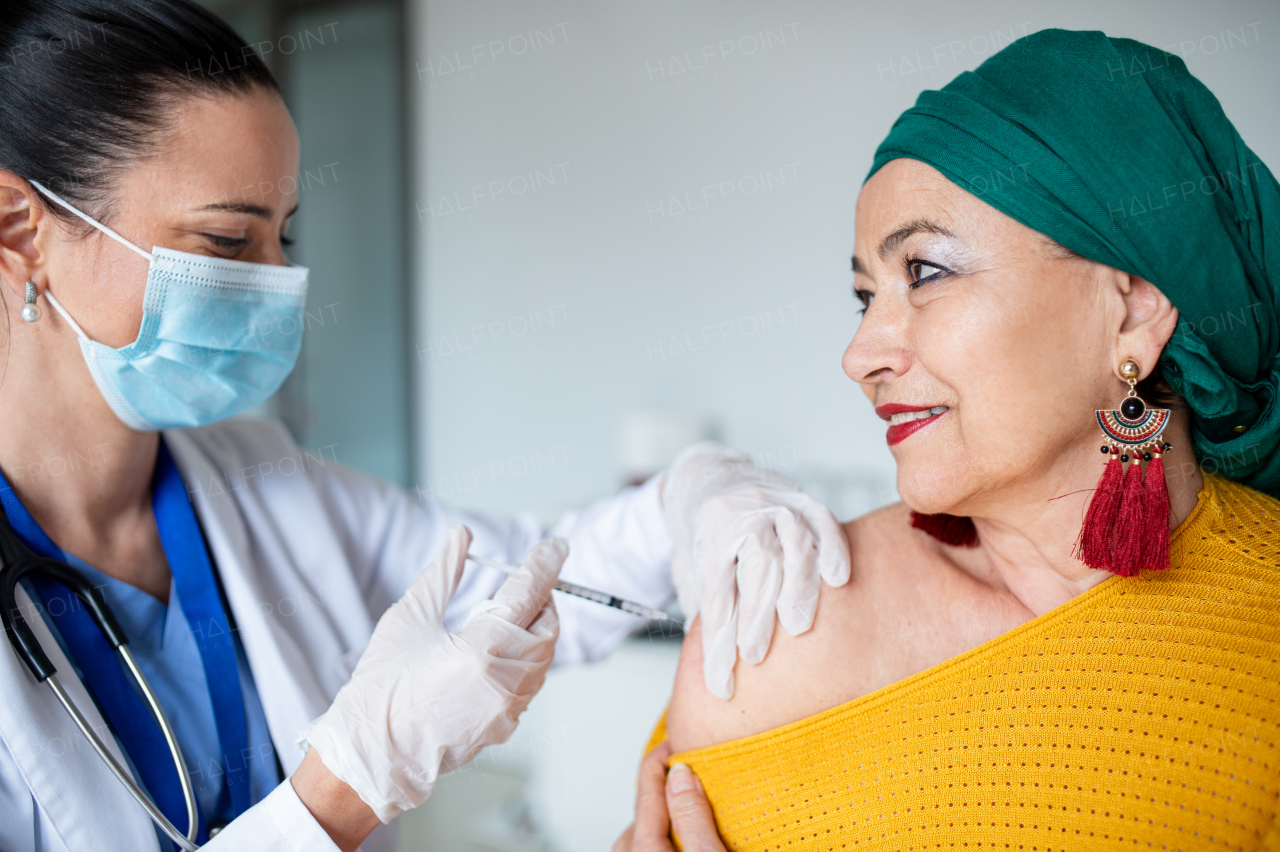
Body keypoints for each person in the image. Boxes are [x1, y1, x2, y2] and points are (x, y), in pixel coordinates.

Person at [0, 3, 851, 851]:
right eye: (226, 241)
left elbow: (536, 586)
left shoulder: (258, 477)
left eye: (284, 236)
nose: (278, 284)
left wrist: (690, 495)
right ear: (19, 231)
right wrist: (349, 787)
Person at [617, 29, 1280, 850]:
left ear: (1135, 310)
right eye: (865, 297)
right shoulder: (783, 636)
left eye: (924, 272)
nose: (859, 357)